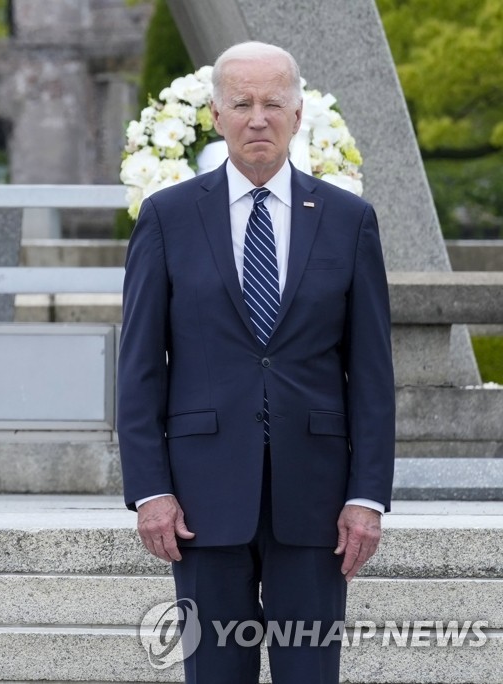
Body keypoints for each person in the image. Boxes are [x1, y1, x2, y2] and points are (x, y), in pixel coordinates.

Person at [117, 42, 394, 683]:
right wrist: (150, 490)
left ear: (299, 115)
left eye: (274, 102)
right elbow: (139, 368)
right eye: (242, 103)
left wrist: (367, 496)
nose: (258, 118)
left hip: (319, 500)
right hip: (200, 499)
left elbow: (373, 374)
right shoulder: (167, 217)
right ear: (216, 114)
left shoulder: (349, 221)